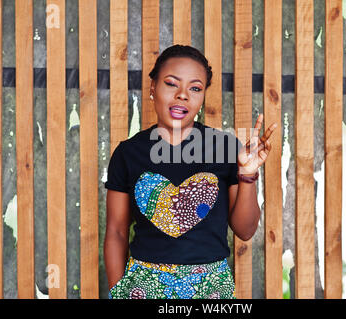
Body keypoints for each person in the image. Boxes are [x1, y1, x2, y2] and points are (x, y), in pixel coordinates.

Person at [104, 44, 277, 299]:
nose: (183, 95)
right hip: (143, 287)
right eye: (172, 84)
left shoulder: (227, 148)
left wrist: (247, 174)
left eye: (195, 88)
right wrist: (118, 293)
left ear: (202, 96)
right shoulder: (128, 153)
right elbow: (117, 231)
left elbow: (246, 230)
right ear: (153, 88)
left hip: (210, 289)